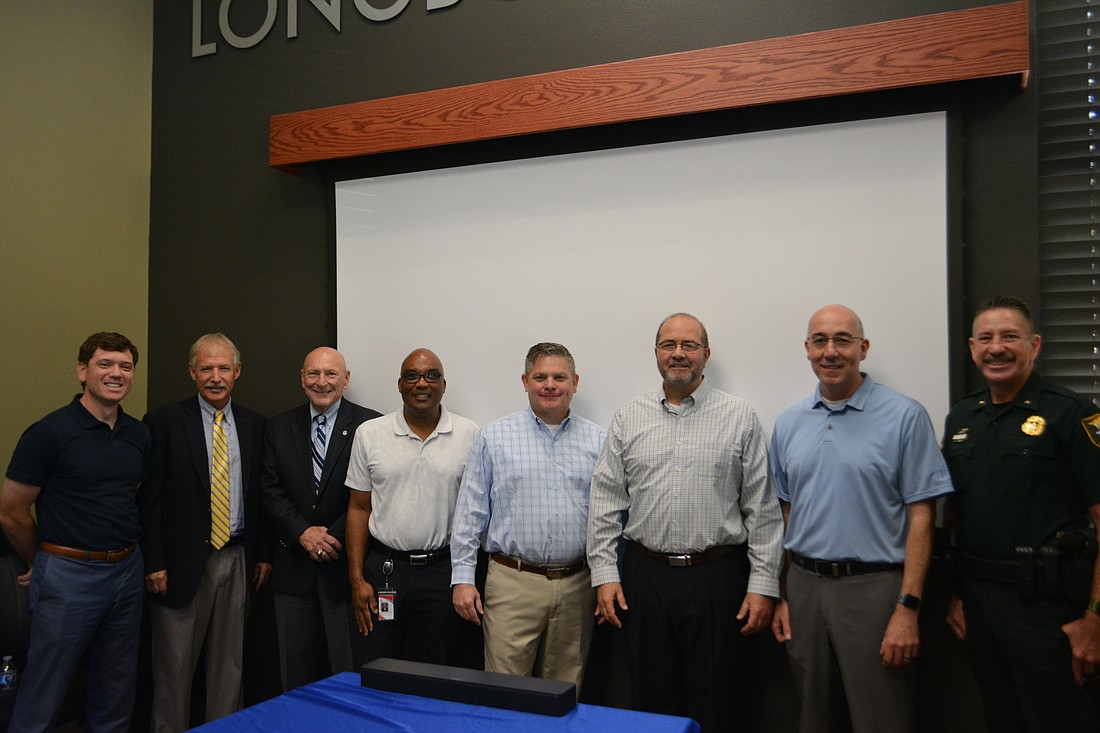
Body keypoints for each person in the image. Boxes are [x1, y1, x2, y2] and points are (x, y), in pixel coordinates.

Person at [587, 312, 783, 733]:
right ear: (656, 353)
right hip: (644, 578)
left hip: (716, 578)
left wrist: (763, 585)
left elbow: (762, 509)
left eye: (689, 345)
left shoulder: (739, 417)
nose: (678, 353)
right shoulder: (628, 417)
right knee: (651, 701)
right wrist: (605, 575)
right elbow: (605, 502)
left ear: (706, 354)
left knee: (716, 700)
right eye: (669, 345)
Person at [768, 304, 954, 733]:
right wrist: (785, 595)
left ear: (863, 348)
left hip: (875, 590)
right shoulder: (789, 423)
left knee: (881, 717)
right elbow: (788, 512)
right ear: (807, 349)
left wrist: (908, 608)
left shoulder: (905, 416)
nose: (830, 351)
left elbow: (922, 518)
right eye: (820, 341)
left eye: (843, 340)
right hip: (805, 588)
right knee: (812, 716)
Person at [942, 295, 1100, 732]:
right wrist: (957, 594)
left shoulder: (1073, 414)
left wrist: (1094, 618)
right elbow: (957, 517)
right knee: (1000, 718)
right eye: (985, 338)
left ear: (1034, 345)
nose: (997, 348)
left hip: (1049, 608)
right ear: (972, 348)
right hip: (979, 605)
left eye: (1009, 336)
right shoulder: (962, 418)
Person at [0, 332, 150, 733]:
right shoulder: (49, 432)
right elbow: (11, 511)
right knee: (45, 691)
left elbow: (129, 496)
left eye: (125, 366)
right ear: (82, 371)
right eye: (105, 364)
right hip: (68, 575)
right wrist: (40, 559)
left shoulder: (138, 434)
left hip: (127, 570)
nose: (116, 373)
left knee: (116, 690)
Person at [451, 343, 605, 691]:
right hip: (512, 583)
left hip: (577, 585)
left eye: (559, 377)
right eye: (540, 377)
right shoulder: (494, 437)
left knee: (565, 690)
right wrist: (462, 579)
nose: (550, 385)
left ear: (575, 382)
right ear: (525, 381)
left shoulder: (599, 440)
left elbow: (607, 517)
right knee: (505, 691)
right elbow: (470, 513)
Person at [140, 333, 272, 732]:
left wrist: (262, 555)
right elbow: (149, 500)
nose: (215, 377)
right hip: (179, 565)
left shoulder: (255, 425)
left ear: (238, 372)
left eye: (223, 368)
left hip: (238, 556)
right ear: (192, 372)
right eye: (206, 368)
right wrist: (154, 561)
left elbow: (261, 496)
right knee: (174, 667)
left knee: (230, 665)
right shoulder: (163, 422)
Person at [345, 348, 479, 664]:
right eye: (412, 376)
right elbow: (359, 509)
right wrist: (356, 578)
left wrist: (467, 577)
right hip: (385, 571)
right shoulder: (370, 433)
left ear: (443, 385)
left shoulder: (469, 434)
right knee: (379, 664)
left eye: (432, 375)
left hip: (443, 573)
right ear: (399, 384)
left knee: (439, 667)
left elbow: (476, 511)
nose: (422, 383)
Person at [262, 347, 381, 690]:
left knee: (349, 675)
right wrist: (303, 533)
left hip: (347, 571)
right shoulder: (279, 427)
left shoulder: (371, 426)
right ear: (302, 379)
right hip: (293, 570)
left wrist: (331, 537)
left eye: (331, 374)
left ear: (346, 379)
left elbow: (374, 493)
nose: (322, 382)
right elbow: (270, 490)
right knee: (294, 679)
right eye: (313, 373)